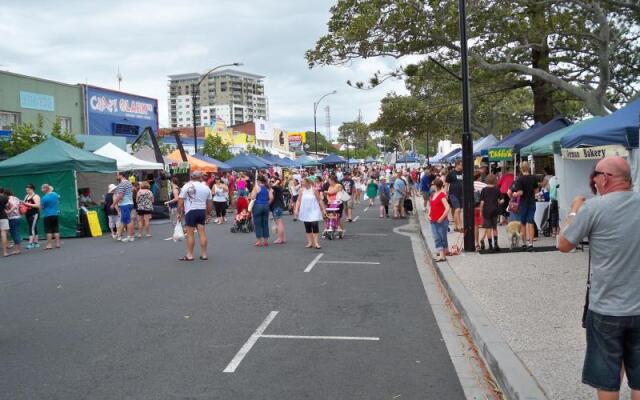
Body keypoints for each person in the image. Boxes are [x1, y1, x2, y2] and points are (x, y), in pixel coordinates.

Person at [558, 156, 640, 400]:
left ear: (605, 178)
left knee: (607, 382)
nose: (592, 179)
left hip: (606, 307)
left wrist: (573, 210)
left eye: (595, 174)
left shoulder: (593, 208)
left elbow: (564, 244)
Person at [177, 171, 213, 261]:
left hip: (191, 211)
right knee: (202, 232)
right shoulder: (206, 188)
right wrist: (208, 214)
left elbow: (180, 202)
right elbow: (209, 204)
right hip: (201, 210)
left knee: (190, 234)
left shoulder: (186, 186)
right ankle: (204, 254)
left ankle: (189, 255)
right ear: (200, 178)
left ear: (191, 177)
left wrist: (179, 213)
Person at [513, 161, 541, 251]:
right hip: (532, 202)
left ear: (521, 169)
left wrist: (515, 194)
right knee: (531, 223)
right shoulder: (533, 178)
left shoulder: (519, 179)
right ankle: (531, 243)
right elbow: (536, 190)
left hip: (523, 203)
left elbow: (520, 192)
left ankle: (524, 243)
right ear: (528, 168)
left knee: (523, 223)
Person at [295, 177, 326, 249]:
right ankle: (310, 242)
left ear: (308, 182)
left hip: (314, 210)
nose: (302, 183)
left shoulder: (314, 189)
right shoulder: (301, 190)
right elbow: (298, 201)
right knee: (307, 226)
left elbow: (320, 200)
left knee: (315, 224)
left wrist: (323, 210)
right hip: (305, 210)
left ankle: (316, 243)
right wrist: (296, 209)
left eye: (303, 182)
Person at [429, 179, 450, 262]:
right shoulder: (433, 195)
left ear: (436, 185)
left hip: (441, 220)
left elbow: (447, 207)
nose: (432, 186)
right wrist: (429, 214)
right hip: (433, 219)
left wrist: (441, 218)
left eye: (433, 184)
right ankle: (442, 253)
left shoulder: (441, 195)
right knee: (437, 237)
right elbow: (431, 206)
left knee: (440, 237)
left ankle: (442, 254)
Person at [479, 174, 501, 252]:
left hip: (486, 211)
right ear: (495, 181)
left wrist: (481, 211)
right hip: (495, 210)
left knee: (488, 228)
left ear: (487, 180)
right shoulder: (497, 189)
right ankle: (496, 245)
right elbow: (501, 200)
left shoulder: (484, 190)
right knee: (495, 228)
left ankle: (490, 245)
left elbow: (482, 202)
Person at [250, 175, 273, 247]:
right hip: (265, 206)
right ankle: (265, 241)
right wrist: (267, 203)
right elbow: (271, 198)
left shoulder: (256, 187)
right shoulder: (268, 188)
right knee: (265, 223)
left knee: (258, 224)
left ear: (258, 181)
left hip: (257, 206)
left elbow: (253, 197)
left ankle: (259, 241)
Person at [113, 172, 136, 242]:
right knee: (126, 220)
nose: (116, 177)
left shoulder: (122, 184)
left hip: (125, 204)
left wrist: (113, 204)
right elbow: (134, 189)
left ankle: (130, 236)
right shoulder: (129, 183)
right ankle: (122, 235)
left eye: (117, 175)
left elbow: (120, 196)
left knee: (127, 221)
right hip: (130, 203)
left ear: (121, 175)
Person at [40, 184, 61, 250]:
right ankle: (57, 244)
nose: (41, 190)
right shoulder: (55, 194)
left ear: (46, 189)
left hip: (47, 215)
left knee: (48, 231)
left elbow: (42, 207)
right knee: (56, 229)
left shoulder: (44, 198)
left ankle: (49, 245)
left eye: (42, 188)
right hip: (55, 214)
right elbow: (58, 198)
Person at [446, 160, 464, 232]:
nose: (462, 166)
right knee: (458, 209)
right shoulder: (451, 173)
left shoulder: (463, 173)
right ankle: (459, 227)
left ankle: (456, 227)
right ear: (457, 165)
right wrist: (446, 193)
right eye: (461, 165)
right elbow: (446, 183)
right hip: (453, 194)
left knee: (455, 210)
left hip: (461, 194)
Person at [23, 183, 41, 248]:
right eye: (26, 190)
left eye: (28, 190)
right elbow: (25, 203)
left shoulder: (36, 196)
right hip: (28, 214)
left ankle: (30, 243)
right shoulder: (26, 196)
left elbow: (38, 205)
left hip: (34, 214)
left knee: (31, 228)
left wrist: (28, 204)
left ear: (32, 189)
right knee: (34, 227)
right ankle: (36, 242)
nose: (27, 191)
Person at [4, 190, 22, 256]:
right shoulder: (16, 198)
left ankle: (17, 250)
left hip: (12, 217)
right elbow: (20, 204)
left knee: (14, 234)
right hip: (18, 217)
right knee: (17, 232)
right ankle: (18, 249)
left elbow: (13, 206)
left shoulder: (8, 199)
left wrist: (8, 211)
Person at [270, 177, 287, 244]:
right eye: (271, 181)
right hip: (278, 206)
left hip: (277, 207)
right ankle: (282, 238)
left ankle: (280, 238)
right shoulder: (277, 188)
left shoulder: (276, 187)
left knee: (279, 223)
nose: (271, 182)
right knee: (280, 223)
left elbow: (272, 186)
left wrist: (277, 181)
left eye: (272, 181)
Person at [0, 188, 9, 257]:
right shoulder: (5, 198)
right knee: (4, 234)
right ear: (2, 192)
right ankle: (5, 252)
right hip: (3, 217)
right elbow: (7, 206)